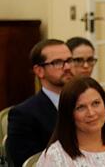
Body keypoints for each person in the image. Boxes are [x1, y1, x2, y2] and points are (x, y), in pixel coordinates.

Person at [36, 77, 105, 166]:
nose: (91, 113)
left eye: (96, 103)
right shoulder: (56, 156)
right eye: (81, 107)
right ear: (69, 114)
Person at [7, 39, 74, 167]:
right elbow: (28, 163)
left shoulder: (85, 104)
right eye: (58, 62)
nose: (67, 67)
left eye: (69, 60)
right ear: (39, 71)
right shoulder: (23, 114)